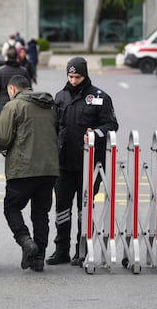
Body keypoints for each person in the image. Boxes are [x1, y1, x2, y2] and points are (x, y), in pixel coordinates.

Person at [46, 57, 119, 267]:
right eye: (70, 76)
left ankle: (83, 251)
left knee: (84, 209)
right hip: (63, 163)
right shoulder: (60, 97)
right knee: (62, 208)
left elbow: (112, 124)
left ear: (85, 75)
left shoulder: (99, 97)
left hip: (89, 165)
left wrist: (95, 133)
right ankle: (61, 250)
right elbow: (53, 127)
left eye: (77, 77)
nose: (74, 80)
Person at [0, 75, 59, 272]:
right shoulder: (49, 105)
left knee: (11, 207)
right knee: (41, 213)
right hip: (49, 169)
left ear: (12, 89)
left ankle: (25, 240)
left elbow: (3, 139)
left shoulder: (13, 106)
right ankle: (38, 258)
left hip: (22, 169)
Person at [0, 46, 30, 112]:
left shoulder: (0, 71)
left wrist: (3, 87)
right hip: (21, 102)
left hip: (4, 101)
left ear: (7, 57)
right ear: (17, 57)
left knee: (5, 121)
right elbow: (29, 87)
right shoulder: (23, 71)